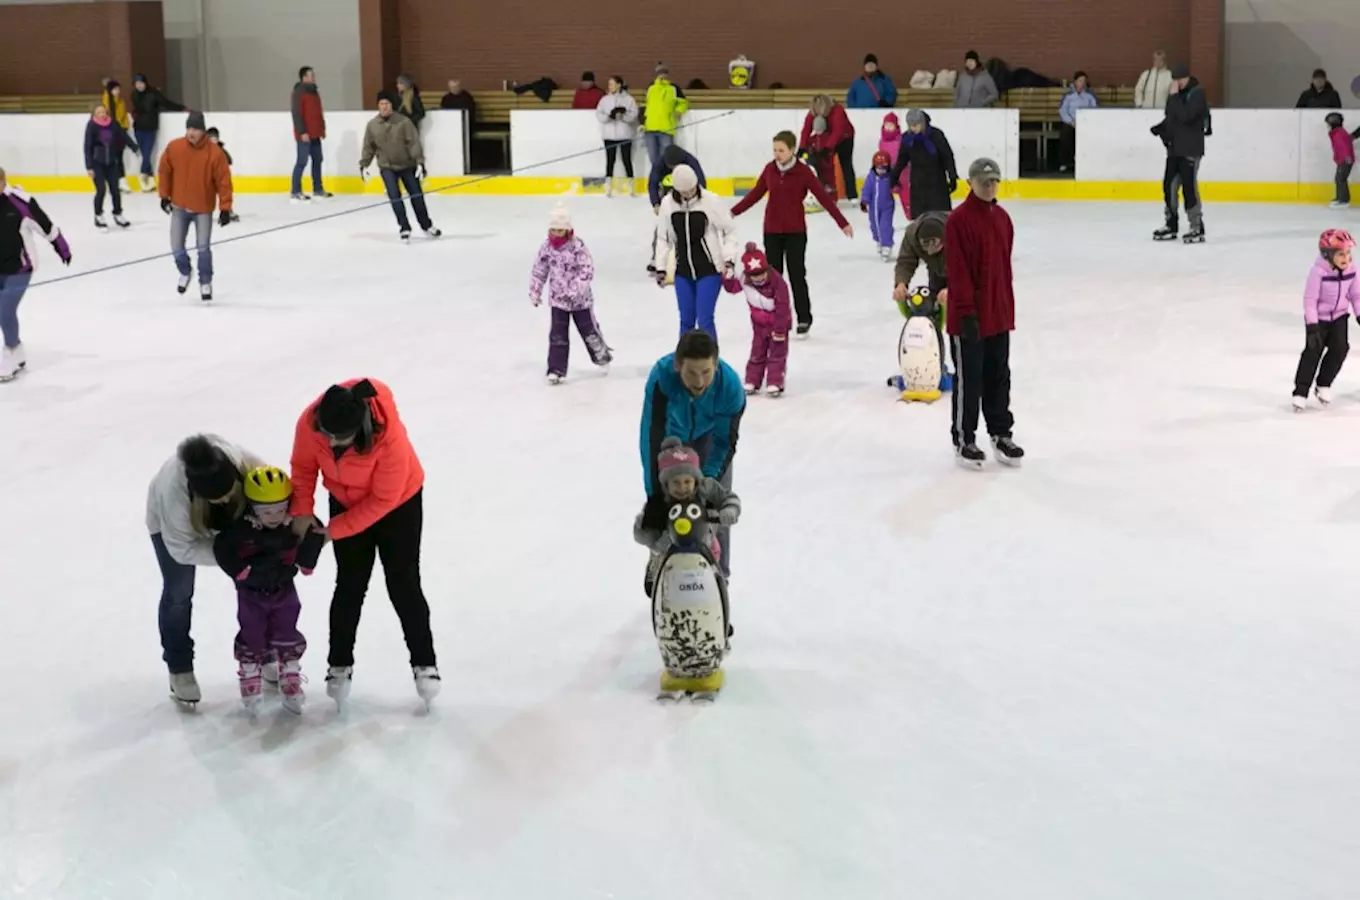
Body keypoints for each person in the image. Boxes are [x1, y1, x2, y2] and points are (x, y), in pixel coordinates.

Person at [287, 378, 440, 705]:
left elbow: (383, 502)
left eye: (337, 438)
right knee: (350, 584)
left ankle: (424, 663)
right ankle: (339, 664)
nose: (329, 442)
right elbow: (302, 470)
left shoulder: (389, 440)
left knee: (403, 583)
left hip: (399, 504)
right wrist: (302, 513)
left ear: (360, 428)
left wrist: (331, 531)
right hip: (345, 498)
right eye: (325, 435)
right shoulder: (311, 421)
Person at [146, 434, 262, 704]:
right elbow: (181, 550)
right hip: (170, 532)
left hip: (224, 516)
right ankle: (179, 667)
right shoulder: (172, 494)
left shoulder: (235, 458)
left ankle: (262, 652)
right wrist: (232, 556)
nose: (222, 500)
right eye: (215, 498)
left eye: (227, 494)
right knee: (178, 593)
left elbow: (268, 483)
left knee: (256, 581)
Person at [213, 466, 325, 713]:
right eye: (266, 511)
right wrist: (238, 570)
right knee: (252, 630)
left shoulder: (290, 524)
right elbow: (221, 547)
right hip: (250, 594)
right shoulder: (242, 530)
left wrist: (307, 560)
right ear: (252, 507)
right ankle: (250, 671)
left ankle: (290, 671)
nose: (274, 516)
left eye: (279, 509)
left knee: (287, 626)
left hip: (284, 589)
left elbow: (315, 529)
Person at [638, 329, 746, 580]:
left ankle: (719, 582)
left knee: (713, 512)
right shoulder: (662, 379)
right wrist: (654, 495)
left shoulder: (729, 386)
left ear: (716, 366)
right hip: (672, 438)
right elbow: (651, 441)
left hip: (711, 438)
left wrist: (707, 481)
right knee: (670, 503)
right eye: (691, 373)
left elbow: (725, 442)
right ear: (678, 366)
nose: (699, 382)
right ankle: (664, 564)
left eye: (706, 372)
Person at [730, 131, 852, 337]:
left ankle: (804, 318)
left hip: (795, 232)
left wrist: (842, 222)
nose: (777, 154)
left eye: (781, 150)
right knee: (774, 279)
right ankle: (778, 318)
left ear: (792, 150)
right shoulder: (770, 169)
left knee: (797, 275)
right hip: (772, 231)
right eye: (775, 150)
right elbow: (755, 194)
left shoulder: (803, 172)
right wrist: (732, 212)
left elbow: (823, 197)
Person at [944, 158, 1023, 470]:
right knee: (969, 380)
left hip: (998, 314)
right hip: (969, 319)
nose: (989, 186)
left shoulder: (1003, 219)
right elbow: (958, 272)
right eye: (983, 181)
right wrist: (966, 313)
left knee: (999, 376)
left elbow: (1003, 270)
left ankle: (1001, 433)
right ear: (970, 183)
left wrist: (1005, 308)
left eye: (993, 182)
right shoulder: (958, 221)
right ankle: (964, 438)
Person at [634, 437, 741, 596]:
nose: (682, 488)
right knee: (669, 580)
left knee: (716, 582)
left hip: (705, 547)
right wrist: (651, 536)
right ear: (666, 483)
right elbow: (642, 531)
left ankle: (719, 609)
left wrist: (729, 510)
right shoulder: (659, 502)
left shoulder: (706, 487)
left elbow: (728, 498)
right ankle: (663, 593)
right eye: (675, 482)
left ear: (695, 480)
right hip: (670, 552)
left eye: (687, 482)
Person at [652, 165, 739, 342]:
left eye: (692, 189)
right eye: (684, 191)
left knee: (705, 320)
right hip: (682, 272)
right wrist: (660, 267)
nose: (689, 194)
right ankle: (684, 366)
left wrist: (729, 259)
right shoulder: (668, 204)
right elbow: (663, 237)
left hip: (709, 271)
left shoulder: (710, 201)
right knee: (686, 322)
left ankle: (711, 365)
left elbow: (730, 231)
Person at [0, 169, 71, 382]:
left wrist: (63, 248)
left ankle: (10, 352)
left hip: (20, 269)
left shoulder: (20, 203)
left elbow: (46, 226)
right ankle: (17, 351)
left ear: (2, 182)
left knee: (5, 309)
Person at [529, 202, 612, 383]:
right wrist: (536, 290)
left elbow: (587, 269)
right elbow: (539, 270)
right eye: (553, 230)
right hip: (558, 301)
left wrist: (575, 289)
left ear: (568, 230)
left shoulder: (577, 247)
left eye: (560, 230)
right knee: (557, 334)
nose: (556, 234)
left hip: (580, 301)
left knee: (589, 331)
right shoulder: (546, 248)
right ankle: (556, 369)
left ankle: (601, 356)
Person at [158, 110, 233, 300]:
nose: (191, 133)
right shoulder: (175, 147)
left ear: (203, 131)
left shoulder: (215, 153)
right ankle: (185, 271)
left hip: (203, 209)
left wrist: (225, 207)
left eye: (196, 129)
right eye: (188, 128)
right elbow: (164, 171)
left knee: (203, 248)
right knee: (176, 247)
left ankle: (205, 281)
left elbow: (224, 181)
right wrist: (164, 195)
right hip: (179, 207)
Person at [360, 92, 442, 241]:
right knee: (395, 198)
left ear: (392, 106)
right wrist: (364, 165)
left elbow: (413, 143)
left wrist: (419, 162)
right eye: (381, 104)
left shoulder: (404, 122)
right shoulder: (372, 125)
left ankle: (426, 225)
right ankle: (404, 227)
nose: (384, 107)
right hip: (387, 167)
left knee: (416, 196)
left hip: (407, 165)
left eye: (387, 104)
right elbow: (369, 147)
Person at [1292, 229, 1359, 411]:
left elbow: (1356, 295)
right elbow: (1310, 300)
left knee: (1341, 348)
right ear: (1327, 255)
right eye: (1340, 254)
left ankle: (1323, 383)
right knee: (1313, 352)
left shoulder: (1352, 270)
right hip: (1319, 320)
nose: (1346, 258)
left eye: (1348, 253)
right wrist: (1312, 326)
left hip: (1339, 316)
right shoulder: (1318, 272)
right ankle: (1300, 391)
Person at [721, 242, 792, 395]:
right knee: (757, 351)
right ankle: (753, 380)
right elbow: (732, 288)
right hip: (759, 324)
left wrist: (780, 330)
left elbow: (783, 307)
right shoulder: (744, 279)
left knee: (777, 354)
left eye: (761, 274)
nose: (758, 279)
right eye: (754, 276)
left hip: (778, 324)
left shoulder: (778, 282)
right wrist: (727, 278)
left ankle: (775, 381)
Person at [1151, 64, 1209, 243]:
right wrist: (1161, 129)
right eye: (1174, 80)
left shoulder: (1197, 94)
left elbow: (1186, 116)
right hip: (1175, 149)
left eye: (1180, 80)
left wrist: (1174, 96)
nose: (1177, 84)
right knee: (1169, 186)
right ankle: (1171, 224)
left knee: (1189, 188)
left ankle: (1196, 226)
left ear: (1187, 78)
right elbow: (1172, 117)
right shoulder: (1175, 96)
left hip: (1190, 150)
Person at [887, 109, 958, 217]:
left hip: (937, 183)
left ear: (923, 123)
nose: (913, 128)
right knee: (920, 219)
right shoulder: (907, 138)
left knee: (941, 218)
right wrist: (894, 177)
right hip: (918, 185)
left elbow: (947, 156)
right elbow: (902, 160)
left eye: (916, 125)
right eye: (911, 125)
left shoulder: (936, 135)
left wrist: (952, 176)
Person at [84, 103, 137, 229]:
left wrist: (134, 146)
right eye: (99, 113)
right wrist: (89, 167)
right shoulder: (92, 126)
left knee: (115, 190)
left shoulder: (112, 124)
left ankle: (118, 213)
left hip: (112, 163)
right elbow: (87, 147)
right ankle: (98, 215)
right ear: (94, 114)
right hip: (97, 163)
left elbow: (123, 135)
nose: (102, 115)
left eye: (104, 112)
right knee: (101, 190)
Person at [129, 74, 184, 192]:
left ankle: (143, 175)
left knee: (147, 152)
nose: (139, 86)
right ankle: (150, 180)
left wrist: (181, 108)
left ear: (145, 83)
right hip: (138, 128)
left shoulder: (153, 93)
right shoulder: (134, 95)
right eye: (136, 84)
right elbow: (137, 109)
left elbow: (165, 103)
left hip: (150, 127)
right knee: (144, 154)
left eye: (141, 83)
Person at [799, 94, 857, 202]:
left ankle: (852, 195)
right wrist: (802, 147)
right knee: (823, 164)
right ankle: (825, 191)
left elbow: (838, 131)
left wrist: (827, 148)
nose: (816, 113)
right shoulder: (814, 111)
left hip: (845, 138)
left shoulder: (837, 111)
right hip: (829, 138)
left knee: (846, 164)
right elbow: (806, 129)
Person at [290, 66, 331, 201]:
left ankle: (317, 188)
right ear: (304, 77)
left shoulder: (314, 92)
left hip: (315, 133)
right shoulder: (298, 92)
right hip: (305, 134)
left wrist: (322, 128)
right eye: (311, 75)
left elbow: (319, 111)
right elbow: (297, 113)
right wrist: (302, 131)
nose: (314, 77)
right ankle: (296, 190)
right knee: (302, 161)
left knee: (318, 160)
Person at [596, 76, 639, 196]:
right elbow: (599, 114)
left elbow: (634, 114)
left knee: (627, 160)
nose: (610, 86)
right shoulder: (604, 100)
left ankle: (631, 186)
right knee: (610, 160)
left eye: (612, 84)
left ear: (619, 84)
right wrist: (609, 117)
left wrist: (623, 117)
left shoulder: (629, 99)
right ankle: (608, 186)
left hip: (625, 134)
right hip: (609, 135)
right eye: (609, 84)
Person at [893, 210, 949, 301]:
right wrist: (901, 283)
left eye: (935, 245)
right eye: (926, 246)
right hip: (936, 270)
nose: (930, 251)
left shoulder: (963, 233)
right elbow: (905, 261)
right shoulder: (911, 235)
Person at [643, 63, 689, 168]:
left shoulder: (674, 88)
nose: (662, 75)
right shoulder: (651, 88)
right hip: (650, 127)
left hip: (666, 128)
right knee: (653, 158)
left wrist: (678, 111)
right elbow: (647, 105)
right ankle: (656, 180)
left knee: (667, 158)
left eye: (664, 73)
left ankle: (666, 178)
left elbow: (683, 102)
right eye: (660, 73)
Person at [1058, 72, 1098, 174]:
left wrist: (1086, 122)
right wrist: (1071, 122)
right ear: (1075, 82)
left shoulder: (1090, 95)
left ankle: (1084, 161)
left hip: (1085, 123)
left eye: (1084, 81)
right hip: (1071, 122)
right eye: (1080, 81)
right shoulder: (1068, 95)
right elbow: (1063, 110)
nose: (1082, 83)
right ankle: (1065, 163)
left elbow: (1094, 109)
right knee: (1066, 132)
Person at [862, 151, 897, 260]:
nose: (881, 171)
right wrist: (864, 201)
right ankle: (879, 240)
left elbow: (898, 185)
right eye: (878, 168)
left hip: (887, 206)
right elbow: (866, 189)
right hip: (874, 207)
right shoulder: (871, 177)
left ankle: (887, 245)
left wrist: (896, 188)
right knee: (874, 226)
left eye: (883, 168)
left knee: (885, 226)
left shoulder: (890, 177)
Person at [648, 144, 705, 210]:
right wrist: (656, 203)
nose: (674, 169)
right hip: (667, 187)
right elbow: (653, 183)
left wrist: (700, 199)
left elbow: (700, 179)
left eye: (676, 166)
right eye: (672, 167)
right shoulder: (659, 163)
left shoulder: (691, 160)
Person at [100, 79, 132, 192]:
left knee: (118, 158)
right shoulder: (106, 102)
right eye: (115, 89)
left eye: (118, 89)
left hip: (120, 133)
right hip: (109, 133)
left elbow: (122, 117)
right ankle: (113, 182)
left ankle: (120, 182)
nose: (117, 91)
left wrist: (125, 127)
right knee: (111, 159)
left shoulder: (121, 102)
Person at [878, 112, 911, 217]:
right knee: (885, 196)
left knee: (906, 196)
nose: (888, 128)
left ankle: (910, 214)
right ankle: (884, 217)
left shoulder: (901, 140)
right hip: (888, 172)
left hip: (902, 172)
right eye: (886, 125)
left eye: (891, 125)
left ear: (896, 126)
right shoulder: (881, 141)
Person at [1327, 113, 1354, 209]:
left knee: (1340, 179)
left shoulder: (1339, 133)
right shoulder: (1337, 132)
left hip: (1345, 160)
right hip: (1343, 160)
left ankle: (1343, 200)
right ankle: (1341, 198)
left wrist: (1346, 158)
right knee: (1339, 179)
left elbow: (1344, 147)